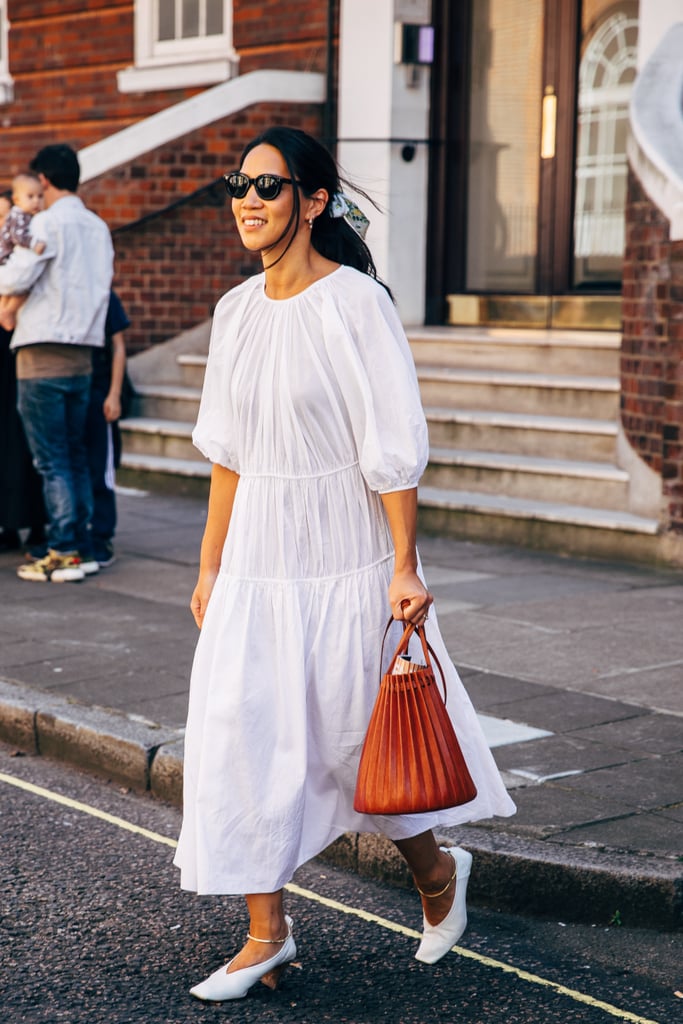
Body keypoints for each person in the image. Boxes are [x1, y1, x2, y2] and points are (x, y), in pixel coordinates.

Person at [174, 126, 515, 1003]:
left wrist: (402, 566)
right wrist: (210, 566)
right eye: (237, 185)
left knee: (362, 745)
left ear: (313, 202)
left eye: (267, 186)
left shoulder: (355, 303)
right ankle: (264, 936)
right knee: (243, 737)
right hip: (257, 556)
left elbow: (391, 445)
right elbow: (228, 455)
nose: (247, 201)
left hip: (348, 557)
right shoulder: (234, 311)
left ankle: (438, 878)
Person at [0, 144, 114, 583]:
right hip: (84, 354)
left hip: (42, 354)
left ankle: (63, 549)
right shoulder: (98, 228)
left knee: (51, 461)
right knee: (77, 454)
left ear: (44, 180)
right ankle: (82, 547)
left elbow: (15, 275)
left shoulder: (47, 223)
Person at [85, 289, 130, 568]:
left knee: (101, 467)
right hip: (72, 390)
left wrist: (114, 394)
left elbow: (119, 347)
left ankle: (101, 536)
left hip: (99, 393)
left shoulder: (103, 294)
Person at [0, 172, 46, 331]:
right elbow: (19, 236)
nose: (36, 201)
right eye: (30, 196)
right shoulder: (19, 217)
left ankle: (5, 311)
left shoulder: (28, 217)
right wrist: (35, 243)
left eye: (40, 196)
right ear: (18, 200)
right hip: (8, 259)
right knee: (22, 285)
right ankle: (7, 311)